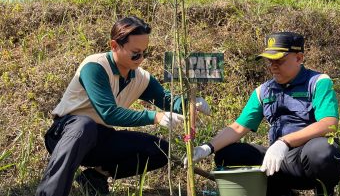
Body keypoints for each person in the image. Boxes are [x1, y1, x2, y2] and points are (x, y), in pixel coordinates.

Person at [36, 16, 211, 196]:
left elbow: (167, 99)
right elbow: (108, 113)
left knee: (160, 150)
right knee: (84, 125)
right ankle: (50, 192)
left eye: (145, 52)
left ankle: (95, 177)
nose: (140, 58)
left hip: (100, 138)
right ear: (114, 46)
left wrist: (190, 104)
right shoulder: (95, 67)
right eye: (135, 53)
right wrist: (155, 117)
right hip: (66, 134)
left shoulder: (140, 77)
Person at [187, 32, 340, 196]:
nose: (273, 66)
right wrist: (207, 148)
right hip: (275, 162)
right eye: (270, 61)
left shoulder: (318, 82)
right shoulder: (264, 91)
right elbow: (239, 127)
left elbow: (329, 124)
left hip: (305, 159)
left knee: (323, 150)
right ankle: (279, 192)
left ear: (298, 58)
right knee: (228, 154)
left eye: (279, 61)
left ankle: (324, 192)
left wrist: (285, 142)